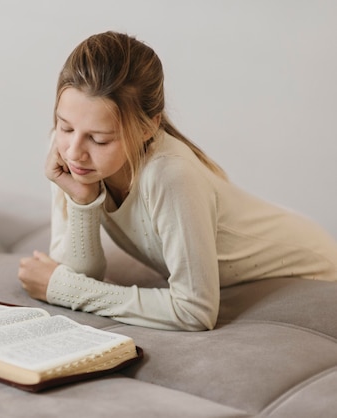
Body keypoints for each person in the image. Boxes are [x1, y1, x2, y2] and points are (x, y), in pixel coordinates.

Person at [17, 31, 337, 331]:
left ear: (148, 127)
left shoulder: (170, 175)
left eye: (99, 140)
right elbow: (79, 271)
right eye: (65, 127)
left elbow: (194, 311)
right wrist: (82, 200)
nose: (74, 152)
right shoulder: (69, 157)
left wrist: (63, 289)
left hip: (312, 269)